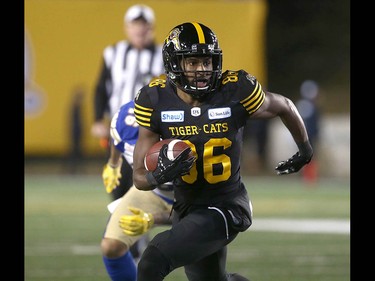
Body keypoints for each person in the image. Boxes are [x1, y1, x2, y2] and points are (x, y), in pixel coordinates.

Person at [130, 22, 313, 281]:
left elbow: (283, 105)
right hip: (188, 208)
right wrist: (158, 175)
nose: (201, 70)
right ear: (174, 64)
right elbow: (138, 178)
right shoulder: (154, 101)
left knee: (153, 259)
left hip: (226, 206)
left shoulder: (234, 91)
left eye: (206, 62)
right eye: (192, 63)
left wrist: (305, 149)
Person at [91, 3, 164, 201]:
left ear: (151, 28)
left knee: (146, 186)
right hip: (120, 129)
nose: (140, 29)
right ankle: (122, 228)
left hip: (150, 130)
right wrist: (98, 119)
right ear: (127, 28)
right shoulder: (113, 53)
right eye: (135, 24)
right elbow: (100, 88)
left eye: (144, 24)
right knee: (118, 186)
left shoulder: (163, 56)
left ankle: (143, 225)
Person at [101, 99, 174, 281]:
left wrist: (152, 219)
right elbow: (116, 138)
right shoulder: (125, 120)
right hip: (152, 192)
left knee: (205, 269)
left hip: (196, 195)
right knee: (112, 245)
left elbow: (190, 212)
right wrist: (113, 163)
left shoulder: (191, 122)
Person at [296, 79, 321, 183]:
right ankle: (309, 178)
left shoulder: (302, 104)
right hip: (308, 135)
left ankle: (308, 177)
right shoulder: (308, 106)